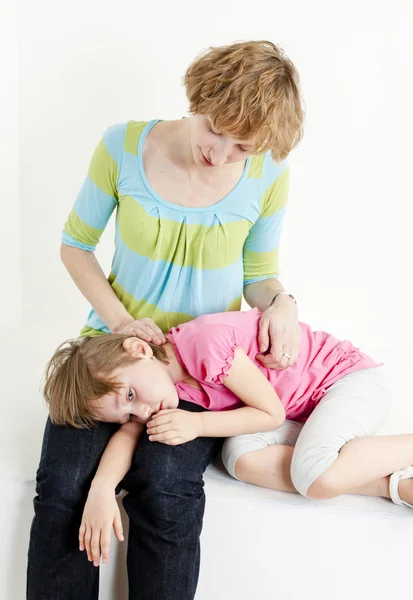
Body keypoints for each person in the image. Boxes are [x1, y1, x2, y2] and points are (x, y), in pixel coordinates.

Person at [27, 41, 304, 600]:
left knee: (166, 488)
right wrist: (123, 323)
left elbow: (258, 273)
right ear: (200, 96)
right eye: (217, 131)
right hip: (112, 353)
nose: (223, 154)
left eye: (243, 147)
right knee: (63, 486)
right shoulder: (123, 146)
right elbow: (75, 247)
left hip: (203, 370)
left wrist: (283, 303)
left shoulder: (268, 173)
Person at [43, 307, 413, 568]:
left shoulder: (203, 344)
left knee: (315, 476)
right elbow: (126, 437)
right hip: (303, 409)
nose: (141, 413)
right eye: (127, 411)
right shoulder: (160, 386)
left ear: (139, 349)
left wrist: (198, 426)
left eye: (129, 396)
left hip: (345, 382)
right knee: (240, 458)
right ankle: (396, 483)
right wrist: (100, 490)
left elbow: (271, 414)